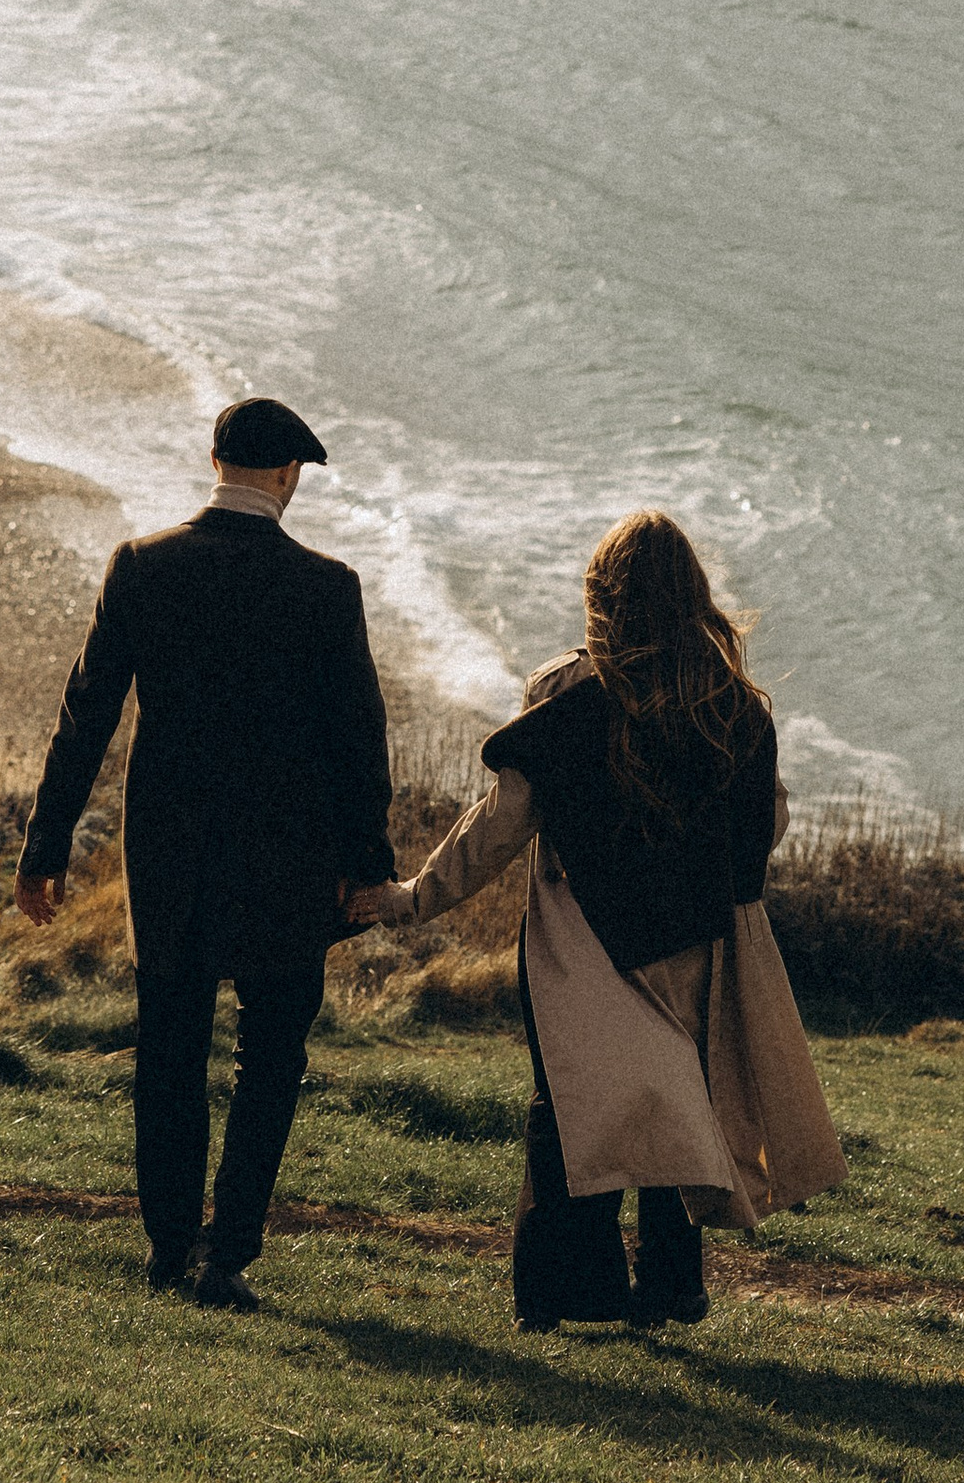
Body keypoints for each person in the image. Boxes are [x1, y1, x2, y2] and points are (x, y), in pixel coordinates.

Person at [350, 509, 843, 1330]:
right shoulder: (733, 703)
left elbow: (502, 822)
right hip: (695, 939)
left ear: (601, 595)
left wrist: (413, 898)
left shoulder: (566, 692)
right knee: (680, 1101)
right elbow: (770, 820)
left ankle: (568, 1297)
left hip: (586, 941)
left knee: (574, 1105)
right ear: (694, 593)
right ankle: (671, 1289)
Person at [15, 396, 393, 1313]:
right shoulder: (326, 587)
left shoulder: (143, 567)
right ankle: (229, 1255)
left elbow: (86, 716)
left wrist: (45, 844)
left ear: (214, 456)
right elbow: (358, 741)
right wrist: (368, 864)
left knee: (171, 1049)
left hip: (174, 855)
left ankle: (166, 1245)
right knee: (271, 1057)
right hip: (289, 861)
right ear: (287, 475)